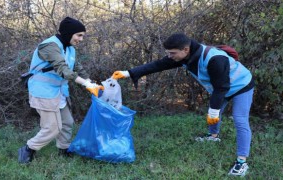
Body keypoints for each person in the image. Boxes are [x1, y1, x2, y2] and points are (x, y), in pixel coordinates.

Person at [112, 33, 254, 176]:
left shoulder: (215, 59)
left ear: (185, 49)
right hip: (220, 87)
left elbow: (222, 87)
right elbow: (158, 65)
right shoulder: (185, 56)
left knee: (239, 120)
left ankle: (242, 162)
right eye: (168, 53)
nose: (169, 56)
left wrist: (214, 111)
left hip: (241, 86)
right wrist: (129, 73)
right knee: (213, 109)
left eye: (172, 53)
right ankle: (213, 136)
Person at [18, 17, 103, 164]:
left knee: (67, 122)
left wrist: (90, 82)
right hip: (43, 92)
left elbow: (76, 67)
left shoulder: (69, 48)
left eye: (82, 35)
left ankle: (63, 149)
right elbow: (63, 69)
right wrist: (86, 84)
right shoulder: (49, 46)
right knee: (52, 128)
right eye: (79, 35)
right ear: (69, 33)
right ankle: (28, 149)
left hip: (58, 92)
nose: (81, 39)